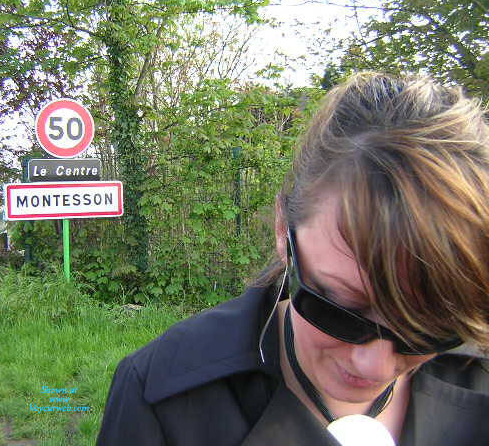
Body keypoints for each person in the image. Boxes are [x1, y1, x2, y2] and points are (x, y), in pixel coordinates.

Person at [96, 72, 489, 445]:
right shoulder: (162, 397)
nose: (375, 366)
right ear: (284, 228)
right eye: (336, 308)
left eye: (426, 329)